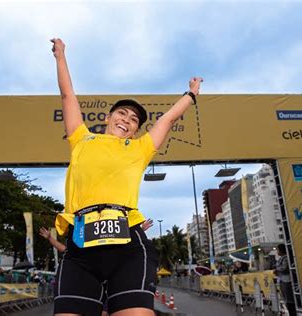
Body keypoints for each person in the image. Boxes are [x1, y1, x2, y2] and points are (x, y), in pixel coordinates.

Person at [51, 37, 203, 316]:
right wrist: (60, 56)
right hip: (80, 245)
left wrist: (190, 94)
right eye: (122, 113)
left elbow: (167, 119)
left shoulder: (139, 148)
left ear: (135, 131)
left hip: (128, 247)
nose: (127, 119)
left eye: (134, 120)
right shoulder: (81, 139)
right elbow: (67, 96)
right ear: (109, 117)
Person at [274, 244, 296, 316]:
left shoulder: (286, 258)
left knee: (289, 299)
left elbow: (284, 268)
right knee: (285, 298)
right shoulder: (281, 258)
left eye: (277, 249)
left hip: (287, 280)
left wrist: (277, 269)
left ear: (281, 250)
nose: (277, 251)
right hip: (281, 280)